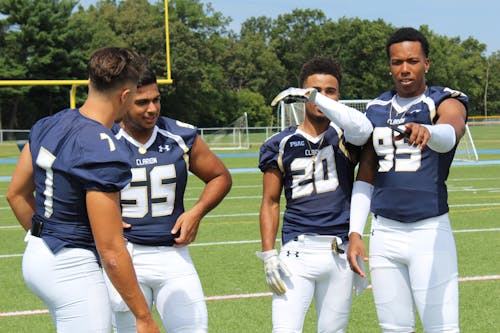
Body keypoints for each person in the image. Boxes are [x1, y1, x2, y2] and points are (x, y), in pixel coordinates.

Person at [6, 47, 160, 332]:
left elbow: (15, 194)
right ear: (125, 96)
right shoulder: (103, 146)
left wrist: (50, 235)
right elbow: (111, 250)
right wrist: (143, 316)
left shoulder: (48, 124)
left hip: (37, 254)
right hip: (71, 265)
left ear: (90, 83)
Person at [347, 27, 468, 333]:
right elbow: (366, 174)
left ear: (426, 63)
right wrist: (355, 233)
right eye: (397, 62)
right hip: (385, 232)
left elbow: (451, 131)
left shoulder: (443, 100)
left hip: (429, 231)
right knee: (393, 328)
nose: (404, 69)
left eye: (412, 61)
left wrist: (430, 131)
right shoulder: (376, 109)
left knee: (441, 328)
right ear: (389, 66)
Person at [104, 67, 232, 333]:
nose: (152, 108)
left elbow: (220, 176)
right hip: (125, 254)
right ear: (123, 100)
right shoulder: (103, 139)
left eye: (156, 99)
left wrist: (196, 212)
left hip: (173, 252)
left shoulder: (179, 135)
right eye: (142, 102)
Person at [258, 56, 373, 332]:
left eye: (329, 91)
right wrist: (268, 254)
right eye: (313, 91)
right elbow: (270, 202)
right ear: (301, 95)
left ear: (338, 96)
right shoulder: (280, 143)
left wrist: (320, 100)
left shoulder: (347, 135)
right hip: (296, 252)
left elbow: (364, 128)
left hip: (340, 252)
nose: (320, 97)